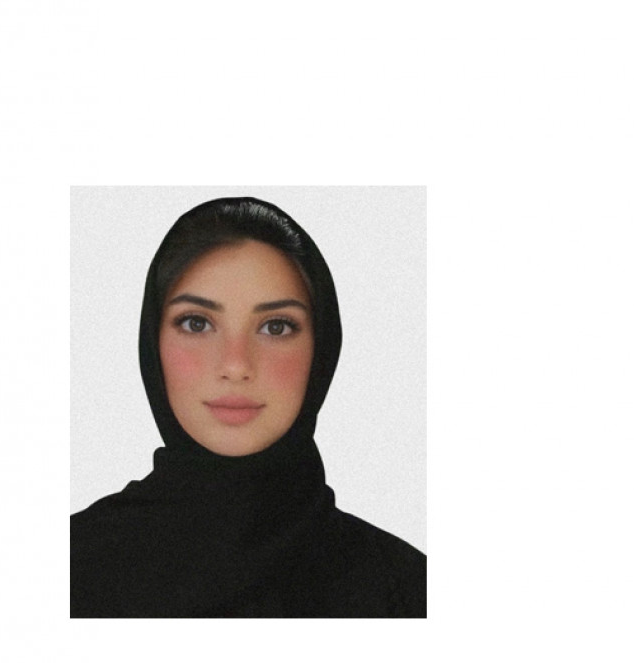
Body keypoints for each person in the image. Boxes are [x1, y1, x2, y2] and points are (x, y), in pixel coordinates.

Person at [70, 197, 426, 618]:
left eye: (276, 327)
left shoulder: (409, 591)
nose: (236, 365)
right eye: (196, 323)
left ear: (322, 349)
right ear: (153, 342)